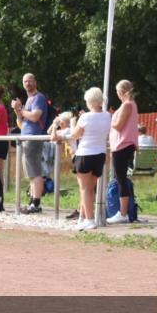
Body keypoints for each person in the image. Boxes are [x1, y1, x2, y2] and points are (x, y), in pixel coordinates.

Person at [62, 88, 110, 231]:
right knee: (90, 189)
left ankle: (89, 219)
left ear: (89, 101)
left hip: (85, 154)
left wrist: (72, 124)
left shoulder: (85, 117)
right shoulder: (108, 115)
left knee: (84, 189)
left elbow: (75, 135)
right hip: (100, 154)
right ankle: (83, 218)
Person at [11, 73, 49, 214]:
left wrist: (21, 110)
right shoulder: (29, 99)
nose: (27, 83)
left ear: (35, 82)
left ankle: (36, 203)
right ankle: (33, 202)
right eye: (25, 81)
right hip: (26, 137)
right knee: (31, 173)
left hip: (33, 138)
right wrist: (17, 109)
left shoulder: (38, 97)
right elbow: (21, 120)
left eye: (30, 81)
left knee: (35, 171)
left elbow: (35, 116)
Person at [107, 79, 139, 225]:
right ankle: (124, 210)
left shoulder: (127, 105)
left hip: (122, 145)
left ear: (121, 92)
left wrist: (110, 119)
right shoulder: (131, 104)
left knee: (121, 180)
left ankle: (123, 212)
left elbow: (118, 126)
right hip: (124, 145)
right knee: (121, 179)